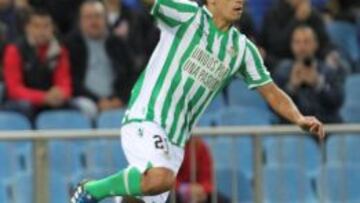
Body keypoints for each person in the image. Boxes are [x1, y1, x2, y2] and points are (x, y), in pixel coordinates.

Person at [71, 0, 325, 202]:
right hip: (147, 116)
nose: (240, 1)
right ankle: (92, 190)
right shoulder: (188, 16)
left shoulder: (242, 49)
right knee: (161, 178)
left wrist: (299, 118)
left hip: (176, 140)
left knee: (142, 192)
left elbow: (271, 91)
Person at [65, 0, 134, 119]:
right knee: (87, 108)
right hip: (85, 100)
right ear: (80, 21)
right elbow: (72, 80)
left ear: (105, 19)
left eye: (98, 16)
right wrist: (98, 101)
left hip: (117, 100)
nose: (93, 21)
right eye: (88, 17)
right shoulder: (71, 45)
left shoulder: (117, 44)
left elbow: (129, 75)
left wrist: (119, 99)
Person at [3, 8, 72, 119]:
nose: (42, 31)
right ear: (27, 28)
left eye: (46, 26)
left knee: (74, 107)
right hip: (19, 102)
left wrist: (60, 94)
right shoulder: (14, 50)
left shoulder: (60, 50)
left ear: (52, 28)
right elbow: (14, 89)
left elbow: (65, 83)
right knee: (26, 107)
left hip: (50, 100)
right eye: (37, 26)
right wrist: (43, 97)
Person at [274, 25, 345, 124]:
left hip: (326, 127)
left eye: (306, 42)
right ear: (291, 45)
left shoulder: (329, 71)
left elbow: (337, 102)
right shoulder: (282, 71)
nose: (302, 47)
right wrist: (292, 86)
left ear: (315, 44)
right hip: (293, 128)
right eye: (297, 42)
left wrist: (318, 84)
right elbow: (275, 107)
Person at [259, 0, 333, 72]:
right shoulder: (273, 14)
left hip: (311, 62)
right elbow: (276, 46)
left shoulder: (312, 14)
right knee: (286, 66)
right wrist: (297, 20)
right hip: (280, 61)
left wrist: (328, 55)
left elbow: (324, 43)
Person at [173, 137, 229, 203]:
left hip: (198, 191)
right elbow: (165, 176)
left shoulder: (200, 147)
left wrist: (201, 189)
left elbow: (207, 179)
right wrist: (183, 189)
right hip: (175, 190)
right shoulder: (170, 147)